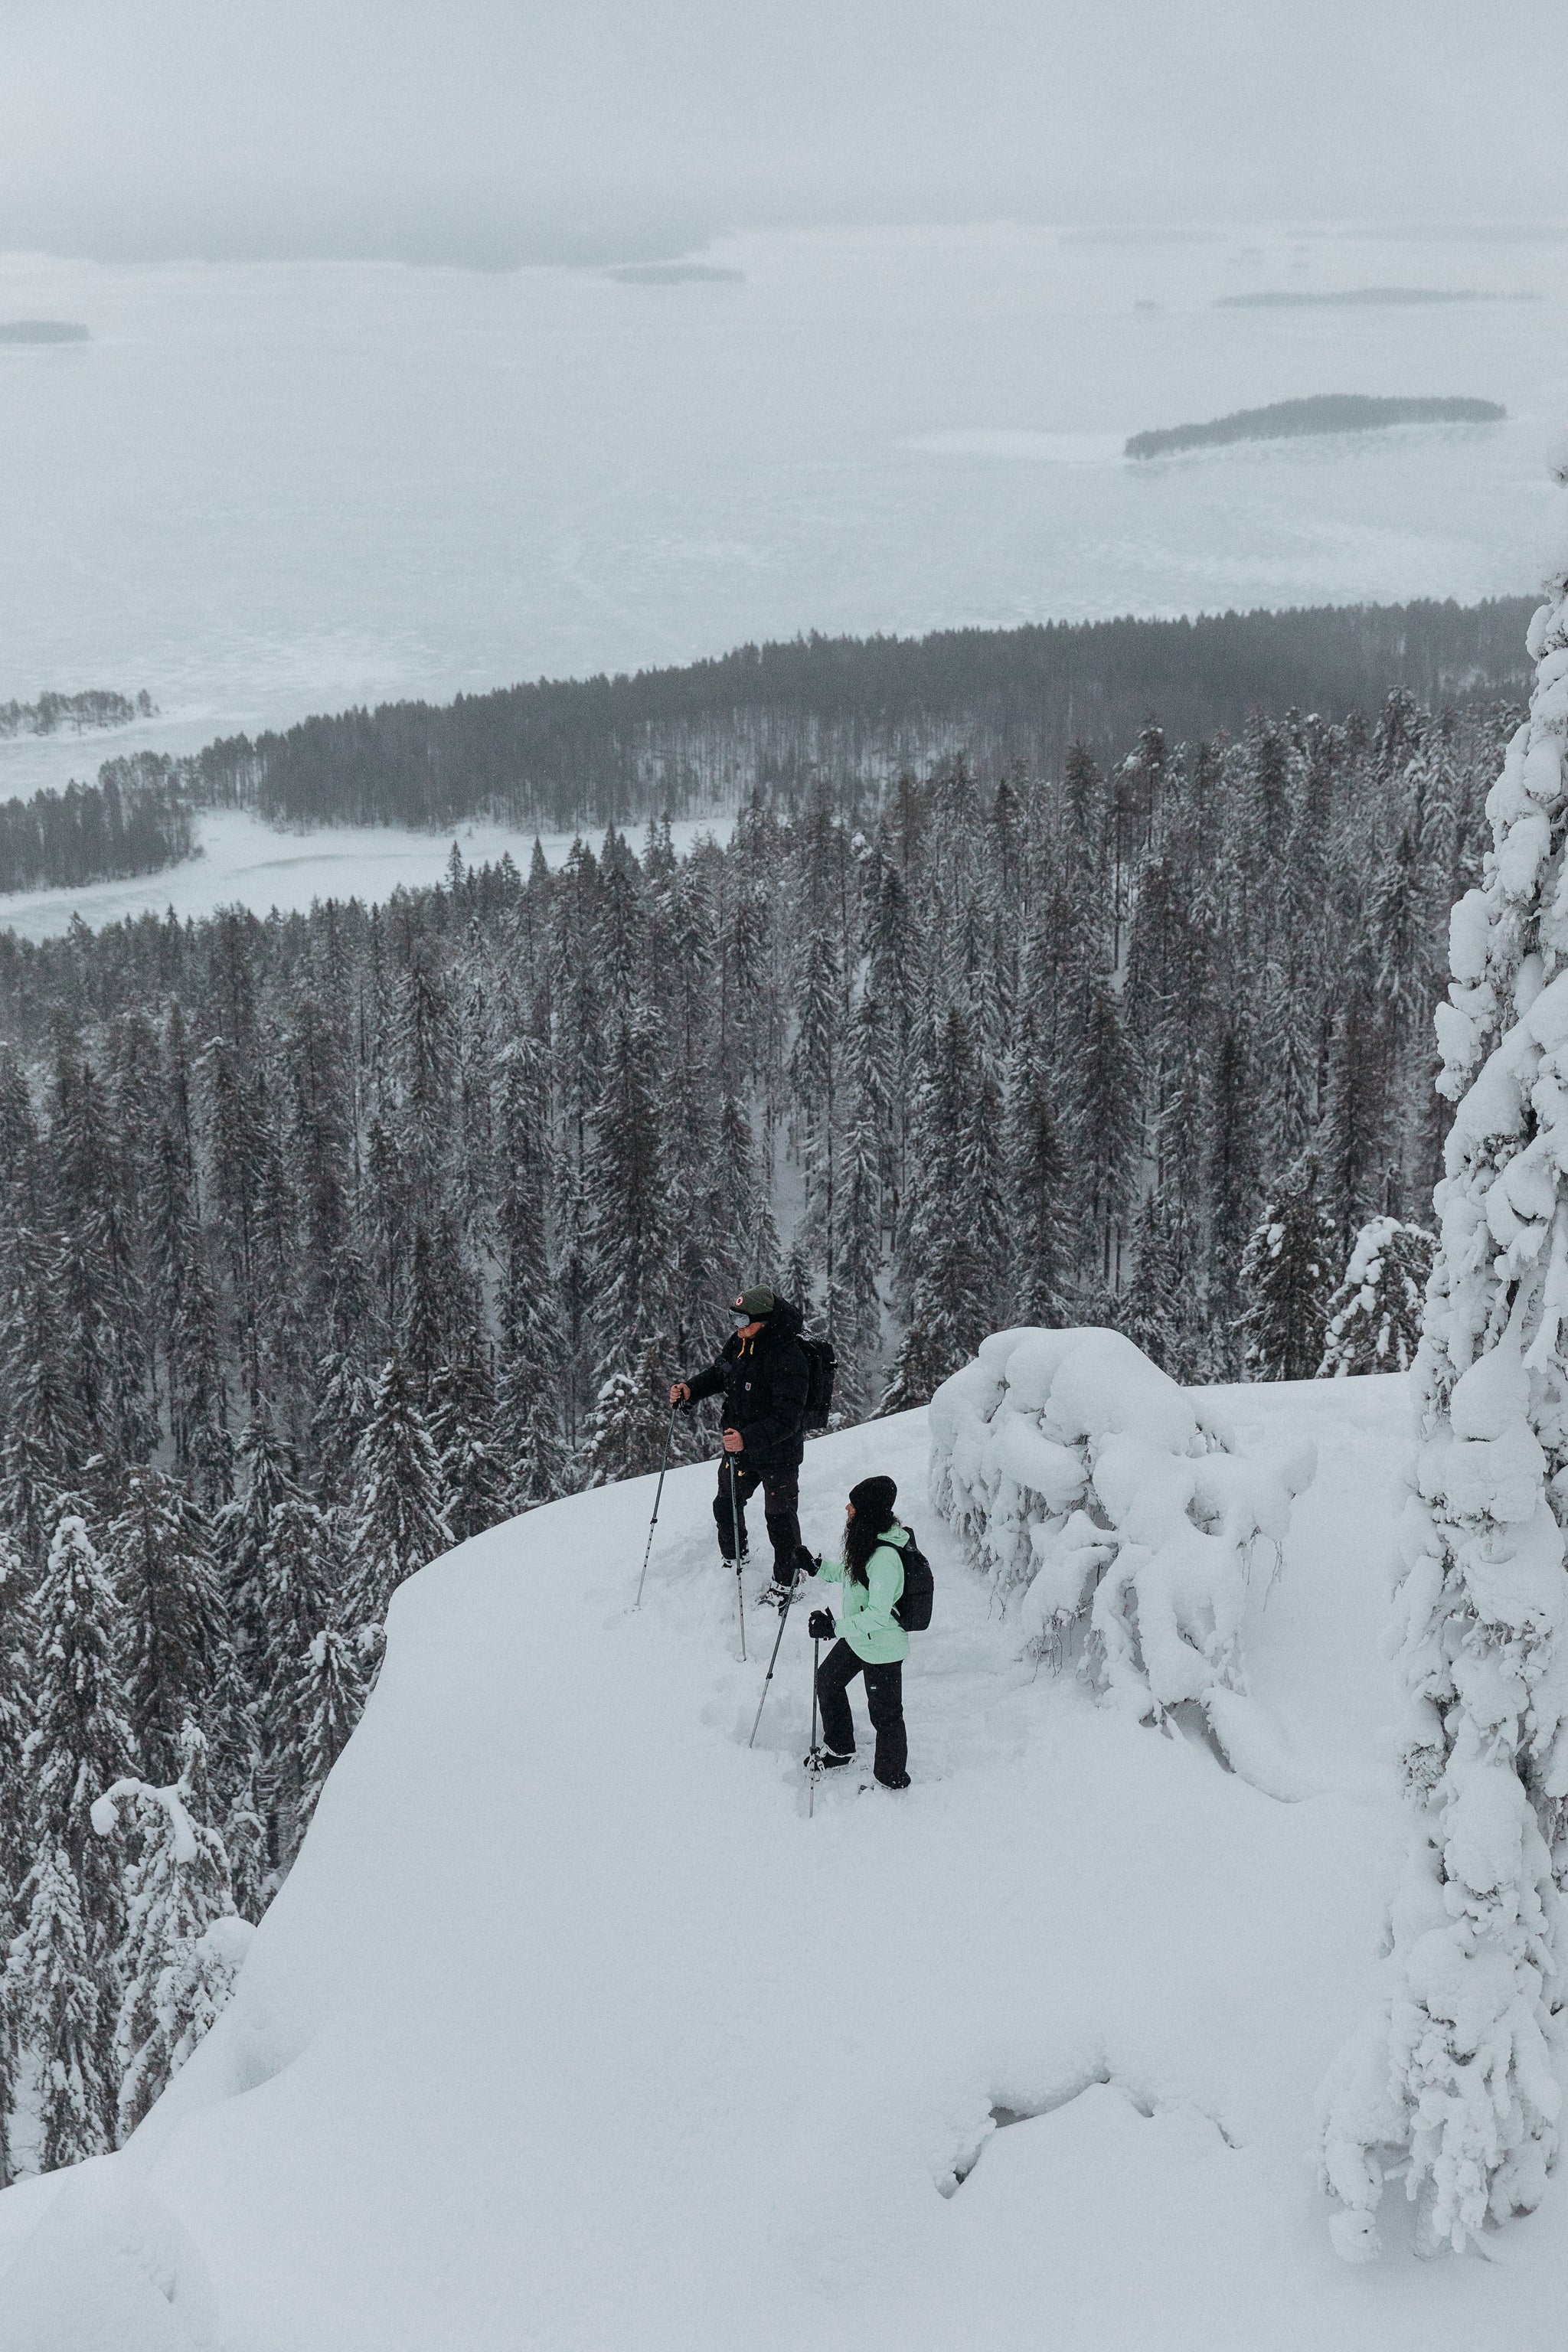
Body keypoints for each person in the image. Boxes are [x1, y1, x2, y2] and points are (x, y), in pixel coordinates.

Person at [670, 1285, 811, 1606]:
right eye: (734, 1318)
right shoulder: (741, 1342)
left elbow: (788, 1419)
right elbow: (720, 1374)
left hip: (779, 1453)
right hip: (740, 1448)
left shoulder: (789, 1356)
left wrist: (748, 1437)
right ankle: (735, 1558)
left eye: (744, 1320)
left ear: (766, 1320)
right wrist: (691, 1390)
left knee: (780, 1518)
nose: (738, 1327)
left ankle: (787, 1582)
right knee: (726, 1503)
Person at [803, 1474, 911, 1790]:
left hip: (882, 1648)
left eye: (854, 1505)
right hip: (859, 1639)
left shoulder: (886, 1558)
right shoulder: (869, 1541)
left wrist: (834, 1628)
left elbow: (879, 1615)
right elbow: (852, 1575)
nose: (847, 1508)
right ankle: (840, 1748)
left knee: (886, 1716)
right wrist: (816, 1566)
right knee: (828, 1681)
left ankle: (891, 1777)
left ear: (868, 1513)